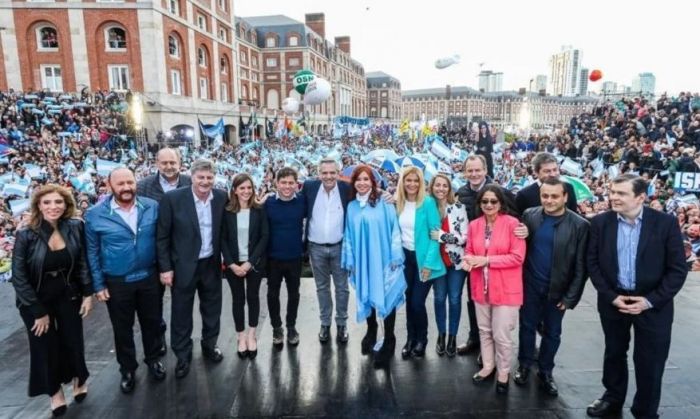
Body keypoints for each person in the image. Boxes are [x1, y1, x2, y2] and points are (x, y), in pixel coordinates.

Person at [585, 174, 687, 419]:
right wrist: (611, 296)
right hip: (614, 302)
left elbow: (677, 269)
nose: (613, 197)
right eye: (612, 192)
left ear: (641, 197)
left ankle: (645, 410)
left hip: (653, 305)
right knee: (614, 352)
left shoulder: (665, 223)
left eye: (621, 193)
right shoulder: (600, 223)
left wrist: (650, 301)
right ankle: (612, 397)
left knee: (651, 360)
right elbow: (593, 263)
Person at [11, 185, 93, 417]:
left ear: (66, 204)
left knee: (73, 340)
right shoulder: (26, 234)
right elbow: (19, 276)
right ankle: (55, 392)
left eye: (58, 202)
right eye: (47, 202)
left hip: (69, 294)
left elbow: (82, 263)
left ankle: (80, 378)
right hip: (36, 300)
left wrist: (87, 294)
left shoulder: (76, 227)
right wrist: (37, 310)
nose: (53, 207)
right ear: (38, 205)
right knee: (44, 347)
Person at [84, 168, 166, 393]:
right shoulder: (94, 214)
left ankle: (153, 360)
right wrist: (98, 285)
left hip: (149, 277)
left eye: (130, 182)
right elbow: (91, 252)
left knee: (152, 322)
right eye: (120, 184)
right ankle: (127, 368)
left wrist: (164, 270)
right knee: (122, 328)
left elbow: (161, 240)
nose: (126, 187)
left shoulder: (152, 206)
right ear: (109, 186)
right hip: (116, 281)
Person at [514, 178, 590, 396]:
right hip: (530, 286)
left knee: (553, 333)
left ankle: (546, 371)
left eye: (554, 196)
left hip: (558, 290)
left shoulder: (580, 225)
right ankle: (525, 365)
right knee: (526, 327)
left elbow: (581, 267)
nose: (549, 200)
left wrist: (570, 298)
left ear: (565, 197)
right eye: (545, 196)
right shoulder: (530, 215)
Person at [157, 159, 227, 379]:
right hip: (183, 266)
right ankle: (182, 355)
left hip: (211, 264)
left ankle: (209, 345)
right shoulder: (173, 199)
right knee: (181, 312)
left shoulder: (221, 197)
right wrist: (166, 268)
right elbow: (162, 236)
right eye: (201, 177)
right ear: (192, 177)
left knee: (212, 309)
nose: (205, 181)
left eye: (209, 177)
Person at [455, 155, 523, 357]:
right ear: (465, 172)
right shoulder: (460, 193)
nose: (474, 174)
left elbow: (517, 218)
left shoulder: (501, 192)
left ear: (485, 170)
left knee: (497, 306)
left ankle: (495, 346)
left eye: (478, 170)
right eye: (470, 170)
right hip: (472, 257)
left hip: (498, 258)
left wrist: (523, 229)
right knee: (474, 300)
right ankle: (476, 339)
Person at [341, 165, 406, 369]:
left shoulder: (384, 202)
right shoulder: (351, 206)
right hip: (363, 261)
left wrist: (396, 256)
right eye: (358, 180)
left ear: (373, 182)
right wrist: (350, 260)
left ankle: (389, 339)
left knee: (387, 295)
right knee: (366, 293)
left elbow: (395, 229)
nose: (362, 183)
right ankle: (371, 331)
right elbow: (349, 234)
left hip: (384, 259)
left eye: (366, 179)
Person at [465, 184, 526, 395]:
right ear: (479, 204)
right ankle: (488, 366)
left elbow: (517, 257)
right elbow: (469, 250)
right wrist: (468, 260)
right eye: (484, 201)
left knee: (501, 334)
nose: (489, 205)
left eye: (493, 201)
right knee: (484, 330)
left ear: (501, 203)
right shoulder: (474, 225)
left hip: (506, 288)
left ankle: (503, 371)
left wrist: (486, 260)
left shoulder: (513, 224)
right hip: (480, 287)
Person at [136, 147, 192, 355]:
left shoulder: (190, 182)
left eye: (172, 162)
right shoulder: (142, 187)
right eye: (164, 163)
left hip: (185, 253)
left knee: (182, 301)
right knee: (153, 304)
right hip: (154, 253)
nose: (169, 167)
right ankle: (158, 339)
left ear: (180, 163)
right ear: (156, 163)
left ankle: (182, 341)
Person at [395, 166, 446, 359]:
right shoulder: (398, 203)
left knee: (417, 302)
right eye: (408, 180)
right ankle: (410, 339)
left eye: (416, 180)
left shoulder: (427, 203)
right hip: (405, 259)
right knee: (409, 301)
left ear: (421, 183)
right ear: (403, 182)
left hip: (424, 260)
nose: (412, 184)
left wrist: (428, 265)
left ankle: (422, 339)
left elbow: (435, 235)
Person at [302, 158, 352, 344]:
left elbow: (367, 190)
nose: (328, 176)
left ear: (338, 173)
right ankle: (325, 324)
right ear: (318, 174)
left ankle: (341, 324)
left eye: (332, 172)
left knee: (342, 288)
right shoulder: (309, 187)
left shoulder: (346, 190)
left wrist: (384, 193)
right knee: (322, 288)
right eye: (325, 173)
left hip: (339, 247)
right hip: (316, 247)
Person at [221, 173, 268, 360]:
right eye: (242, 188)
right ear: (235, 190)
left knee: (253, 297)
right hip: (233, 263)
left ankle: (251, 334)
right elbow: (222, 238)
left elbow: (265, 237)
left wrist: (250, 262)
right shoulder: (227, 211)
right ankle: (240, 336)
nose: (246, 191)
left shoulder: (259, 210)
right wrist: (231, 264)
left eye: (249, 188)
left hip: (253, 263)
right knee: (238, 299)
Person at [264, 167, 307, 347]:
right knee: (272, 294)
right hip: (273, 257)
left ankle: (291, 326)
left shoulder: (303, 201)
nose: (287, 186)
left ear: (297, 184)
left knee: (294, 294)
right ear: (277, 183)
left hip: (295, 256)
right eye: (283, 183)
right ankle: (276, 327)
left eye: (291, 183)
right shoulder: (267, 202)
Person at [428, 173, 468, 357]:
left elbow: (464, 238)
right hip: (437, 263)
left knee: (454, 299)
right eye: (438, 185)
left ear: (449, 188)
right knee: (438, 299)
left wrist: (443, 236)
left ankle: (452, 336)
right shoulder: (427, 206)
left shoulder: (458, 208)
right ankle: (441, 335)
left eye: (445, 185)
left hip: (455, 263)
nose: (441, 189)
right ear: (432, 186)